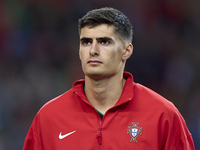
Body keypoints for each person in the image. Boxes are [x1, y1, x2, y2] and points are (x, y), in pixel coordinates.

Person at [23, 7, 195, 150]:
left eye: (104, 42)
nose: (93, 50)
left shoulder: (163, 116)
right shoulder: (48, 118)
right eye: (86, 42)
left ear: (126, 50)